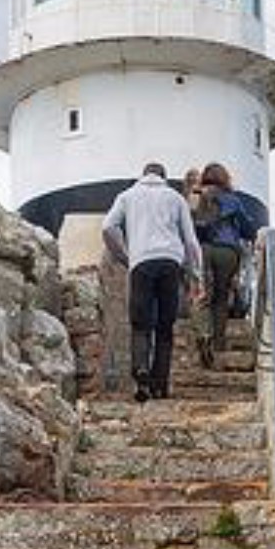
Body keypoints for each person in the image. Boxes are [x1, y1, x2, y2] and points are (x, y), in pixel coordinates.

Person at [102, 163, 198, 401]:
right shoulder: (176, 198)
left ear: (143, 176)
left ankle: (141, 373)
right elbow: (190, 240)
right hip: (170, 263)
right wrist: (196, 273)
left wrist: (123, 255)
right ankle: (160, 385)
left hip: (141, 263)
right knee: (165, 327)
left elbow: (108, 227)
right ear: (164, 178)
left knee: (140, 324)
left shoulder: (127, 196)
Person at [191, 163, 269, 369]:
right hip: (228, 251)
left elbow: (191, 226)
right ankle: (218, 345)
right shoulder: (233, 200)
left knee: (203, 296)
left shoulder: (197, 197)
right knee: (221, 298)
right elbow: (248, 228)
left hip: (204, 250)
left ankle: (203, 334)